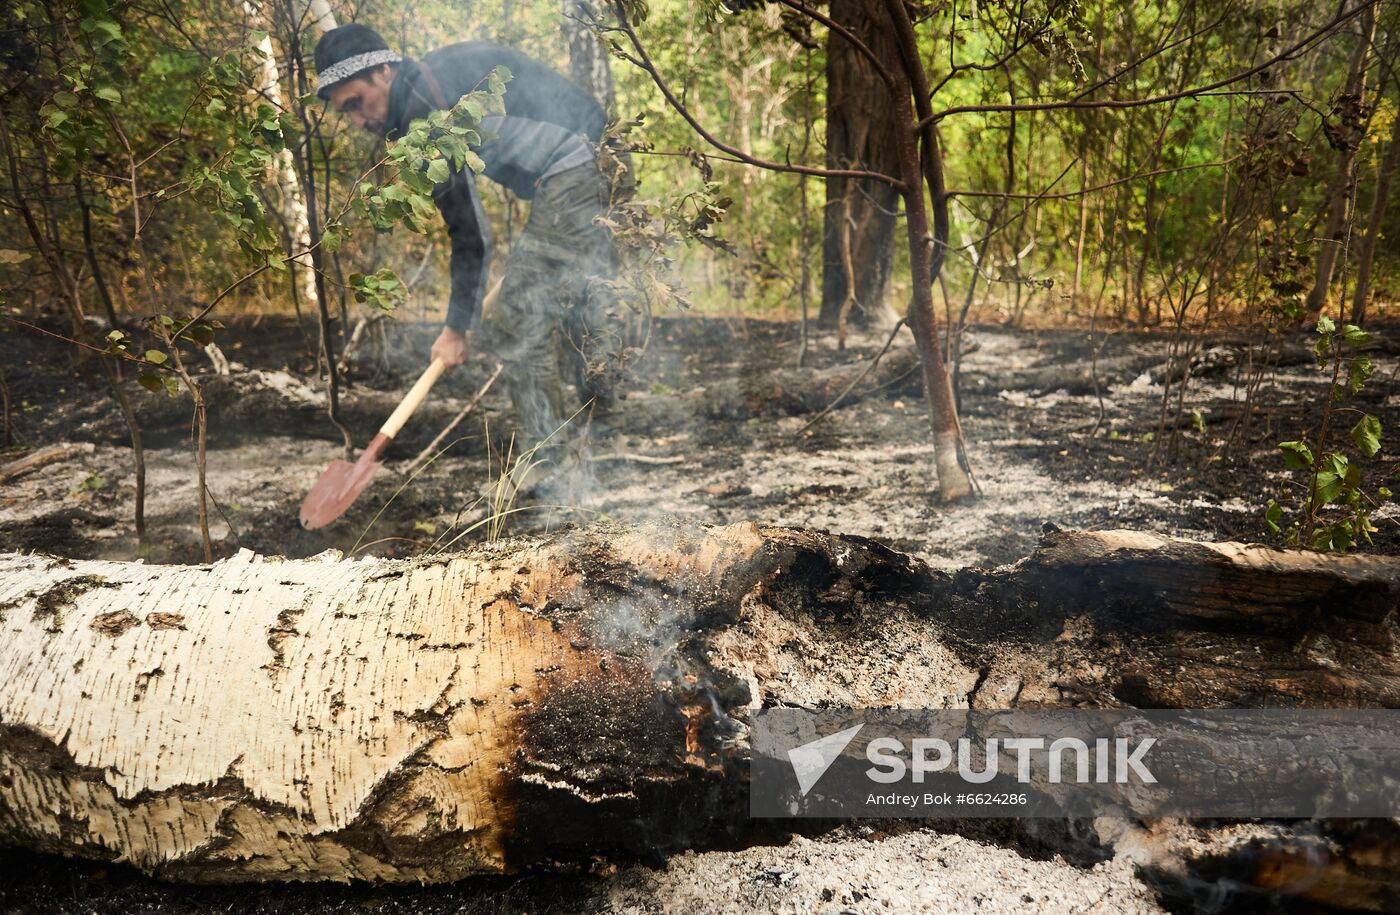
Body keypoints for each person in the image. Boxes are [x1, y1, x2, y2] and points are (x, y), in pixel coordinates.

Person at [315, 23, 627, 449]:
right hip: (603, 152)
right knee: (577, 295)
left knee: (518, 320)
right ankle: (606, 434)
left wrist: (456, 329)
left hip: (578, 163)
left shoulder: (422, 112)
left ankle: (553, 466)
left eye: (357, 103)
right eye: (345, 112)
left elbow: (471, 234)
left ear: (383, 71)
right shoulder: (431, 78)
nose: (357, 121)